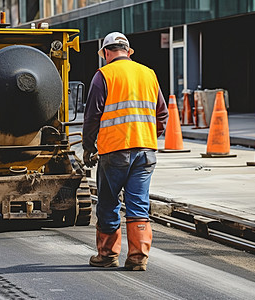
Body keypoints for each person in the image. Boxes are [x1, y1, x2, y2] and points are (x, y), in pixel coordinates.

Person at [83, 32, 169, 271]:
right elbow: (162, 114)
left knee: (109, 203)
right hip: (145, 151)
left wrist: (88, 146)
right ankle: (138, 258)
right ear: (128, 52)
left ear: (106, 53)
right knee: (138, 203)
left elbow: (92, 117)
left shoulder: (103, 76)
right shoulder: (149, 74)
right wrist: (149, 137)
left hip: (115, 152)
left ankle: (108, 255)